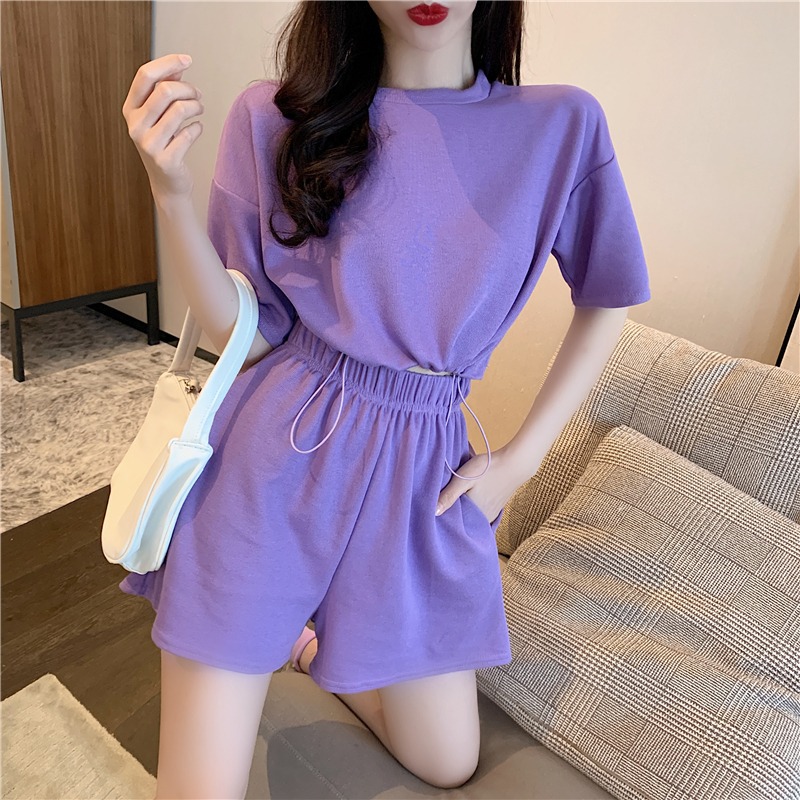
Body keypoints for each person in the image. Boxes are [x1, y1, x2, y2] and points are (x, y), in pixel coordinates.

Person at [120, 1, 651, 797]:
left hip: (422, 474)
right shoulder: (276, 117)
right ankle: (274, 622)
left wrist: (519, 462)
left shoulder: (561, 126)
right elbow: (249, 333)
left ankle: (304, 641)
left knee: (445, 760)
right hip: (275, 458)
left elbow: (609, 295)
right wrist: (170, 193)